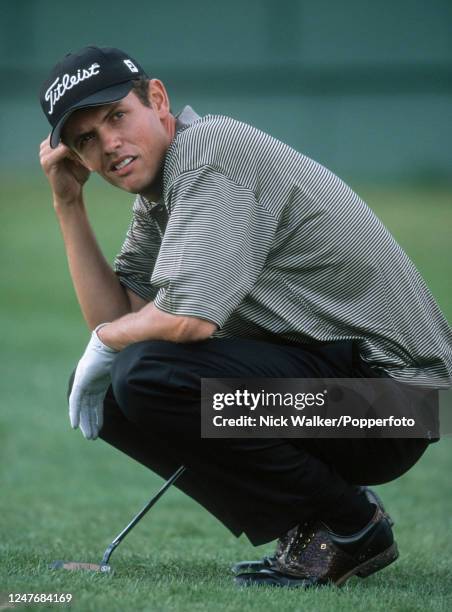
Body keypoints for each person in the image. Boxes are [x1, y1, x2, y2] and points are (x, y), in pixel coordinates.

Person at [39, 46, 452, 588]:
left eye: (117, 116)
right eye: (86, 139)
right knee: (115, 390)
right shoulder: (162, 194)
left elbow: (186, 321)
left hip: (397, 407)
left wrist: (107, 343)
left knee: (143, 372)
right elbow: (117, 318)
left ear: (157, 100)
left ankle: (351, 526)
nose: (109, 143)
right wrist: (68, 203)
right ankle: (318, 527)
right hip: (351, 393)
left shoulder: (208, 149)